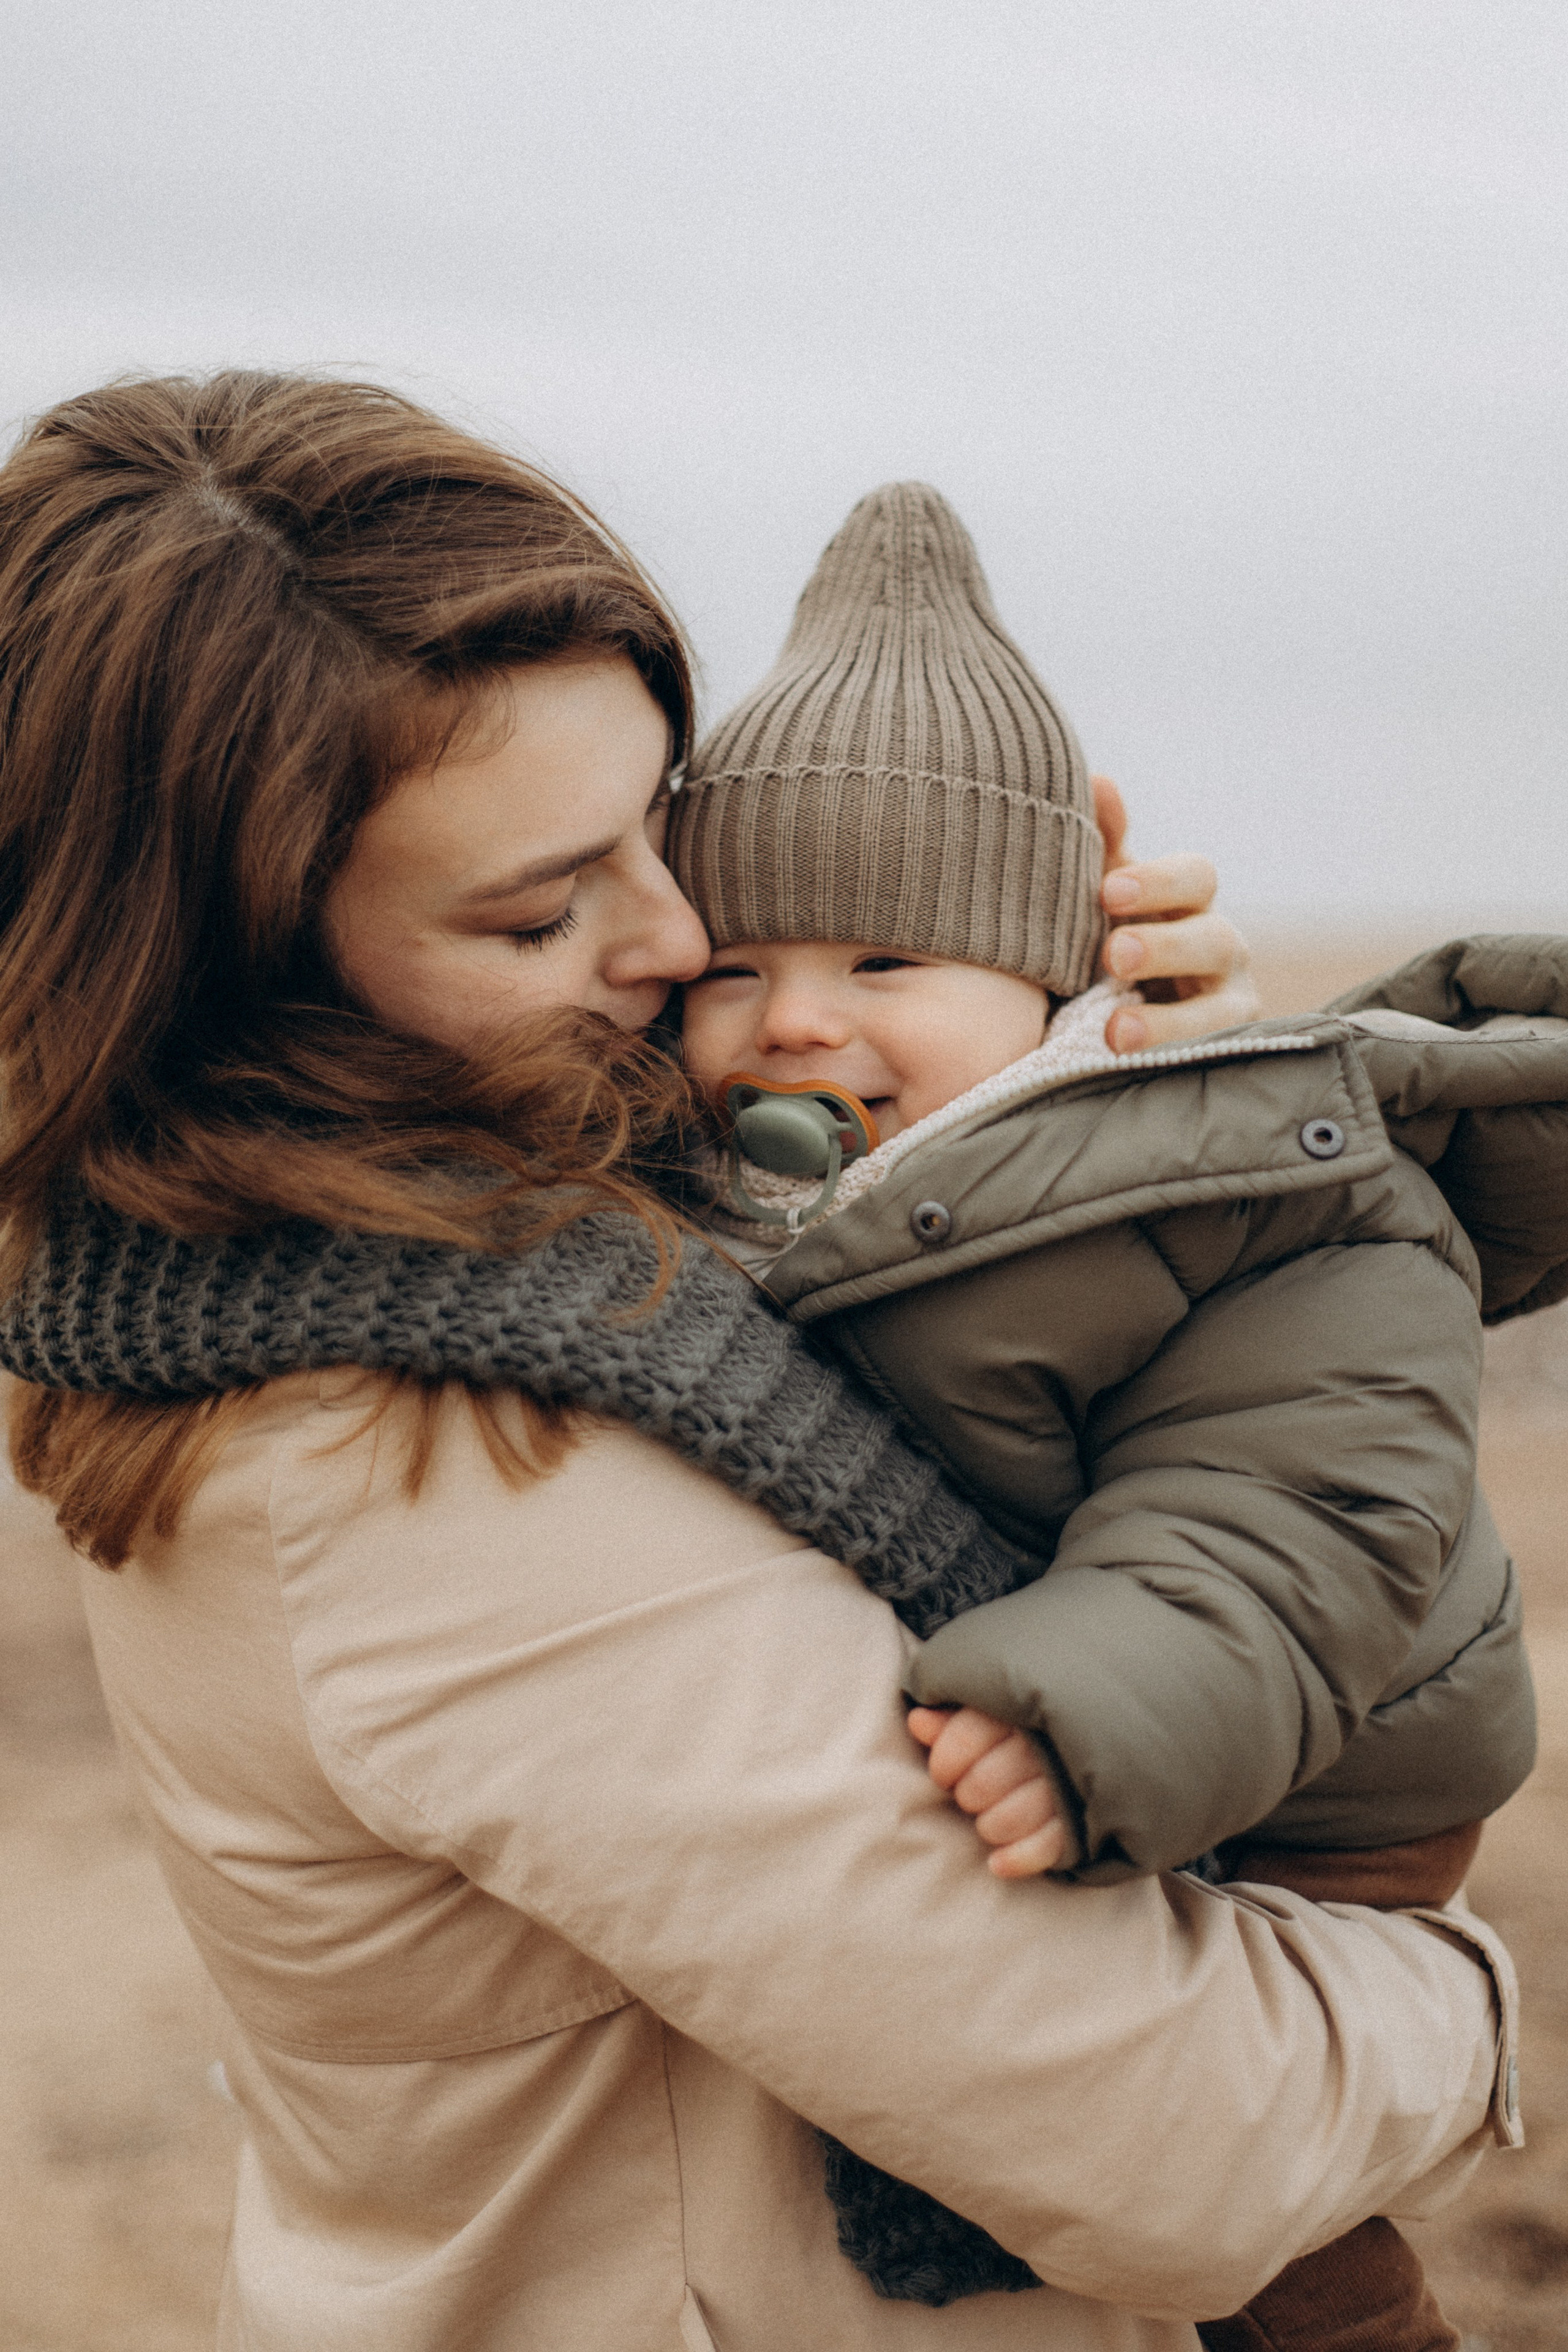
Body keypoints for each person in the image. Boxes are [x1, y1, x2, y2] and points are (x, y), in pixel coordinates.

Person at [0, 374, 1521, 2352]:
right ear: (245, 985)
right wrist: (1441, 1980)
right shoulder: (435, 1443)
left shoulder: (520, 1238)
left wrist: (1144, 1129)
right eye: (544, 906)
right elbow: (1191, 2140)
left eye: (661, 825)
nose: (674, 938)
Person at [671, 481, 1562, 2342]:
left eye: (883, 964)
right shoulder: (798, 1184)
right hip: (1160, 1690)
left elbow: (1291, 1503)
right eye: (733, 970)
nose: (794, 1022)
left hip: (1333, 1758)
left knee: (1238, 2200)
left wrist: (1096, 1703)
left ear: (1054, 978)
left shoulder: (1208, 1184)